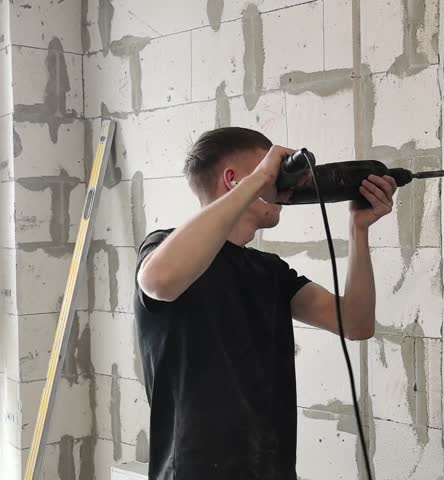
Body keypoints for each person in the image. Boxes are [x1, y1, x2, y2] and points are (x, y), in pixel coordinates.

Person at [133, 127, 397, 480]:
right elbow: (160, 281)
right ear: (233, 180)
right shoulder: (164, 248)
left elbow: (356, 323)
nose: (282, 186)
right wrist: (258, 180)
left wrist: (358, 230)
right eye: (272, 172)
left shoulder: (268, 272)